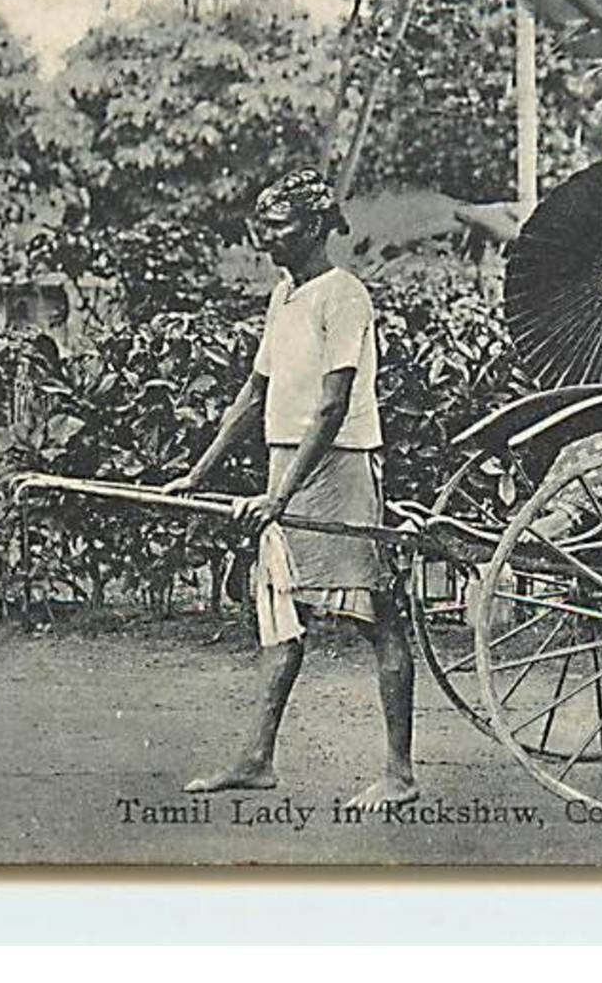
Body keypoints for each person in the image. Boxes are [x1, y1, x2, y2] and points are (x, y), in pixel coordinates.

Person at [163, 168, 416, 810]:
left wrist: (281, 495)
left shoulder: (344, 294)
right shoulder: (285, 294)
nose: (265, 236)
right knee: (279, 612)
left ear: (313, 228)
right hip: (290, 463)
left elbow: (332, 406)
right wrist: (200, 471)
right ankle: (256, 758)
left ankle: (399, 772)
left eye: (277, 226)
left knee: (376, 614)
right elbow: (255, 392)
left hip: (341, 466)